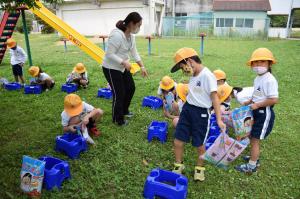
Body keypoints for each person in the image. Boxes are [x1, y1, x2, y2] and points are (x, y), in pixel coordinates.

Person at [170, 47, 226, 181]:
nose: (184, 70)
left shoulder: (207, 76)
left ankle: (199, 169)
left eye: (183, 67)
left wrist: (219, 119)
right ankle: (179, 165)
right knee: (178, 140)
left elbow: (215, 99)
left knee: (199, 144)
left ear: (190, 61)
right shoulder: (193, 75)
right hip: (187, 110)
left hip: (201, 114)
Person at [235, 48, 278, 173]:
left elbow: (273, 99)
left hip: (264, 113)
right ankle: (254, 157)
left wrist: (258, 105)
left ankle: (252, 165)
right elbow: (257, 93)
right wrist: (250, 101)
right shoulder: (258, 78)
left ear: (269, 64)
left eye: (262, 62)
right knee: (252, 134)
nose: (258, 65)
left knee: (254, 139)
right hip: (256, 110)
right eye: (255, 62)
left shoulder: (270, 80)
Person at [102, 12, 148, 126]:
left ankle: (124, 110)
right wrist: (123, 62)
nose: (139, 28)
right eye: (139, 25)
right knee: (119, 93)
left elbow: (134, 53)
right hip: (111, 68)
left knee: (131, 88)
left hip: (123, 67)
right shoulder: (117, 35)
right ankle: (118, 119)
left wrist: (142, 66)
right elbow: (109, 54)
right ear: (131, 23)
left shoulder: (131, 37)